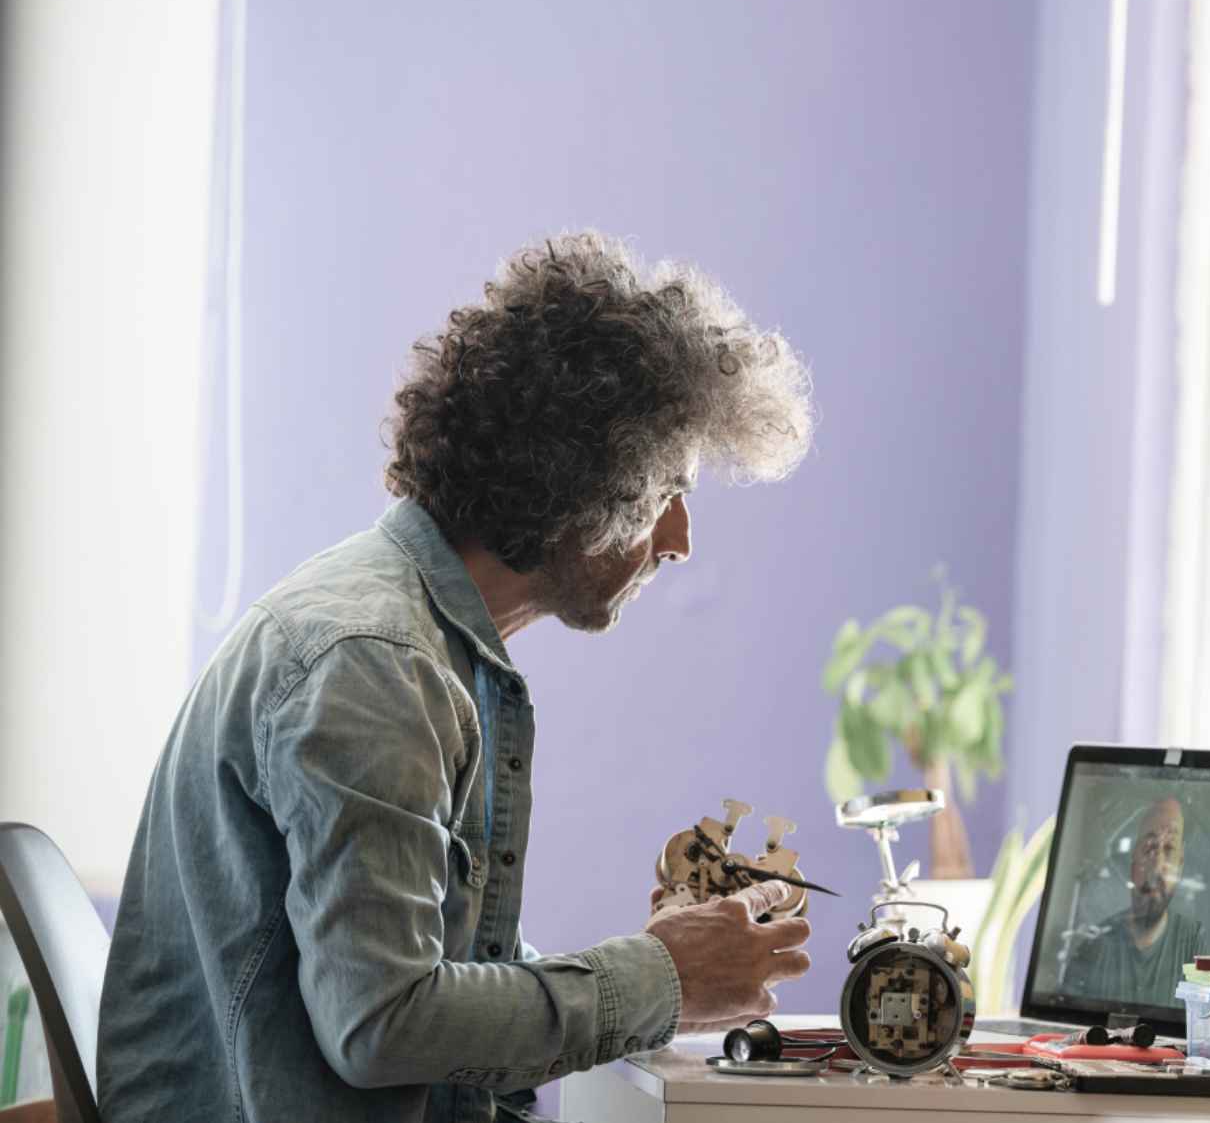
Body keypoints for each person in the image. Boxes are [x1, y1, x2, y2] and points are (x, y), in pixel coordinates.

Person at [97, 232, 817, 1123]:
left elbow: (422, 985)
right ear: (585, 482)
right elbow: (384, 1025)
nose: (678, 540)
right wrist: (662, 976)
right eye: (668, 489)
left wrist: (666, 973)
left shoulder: (417, 644)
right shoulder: (377, 667)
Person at [1064, 797, 1203, 1008]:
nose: (1156, 867)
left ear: (1181, 864)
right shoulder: (1093, 948)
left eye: (1169, 850)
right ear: (1132, 858)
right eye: (1149, 848)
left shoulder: (1196, 946)